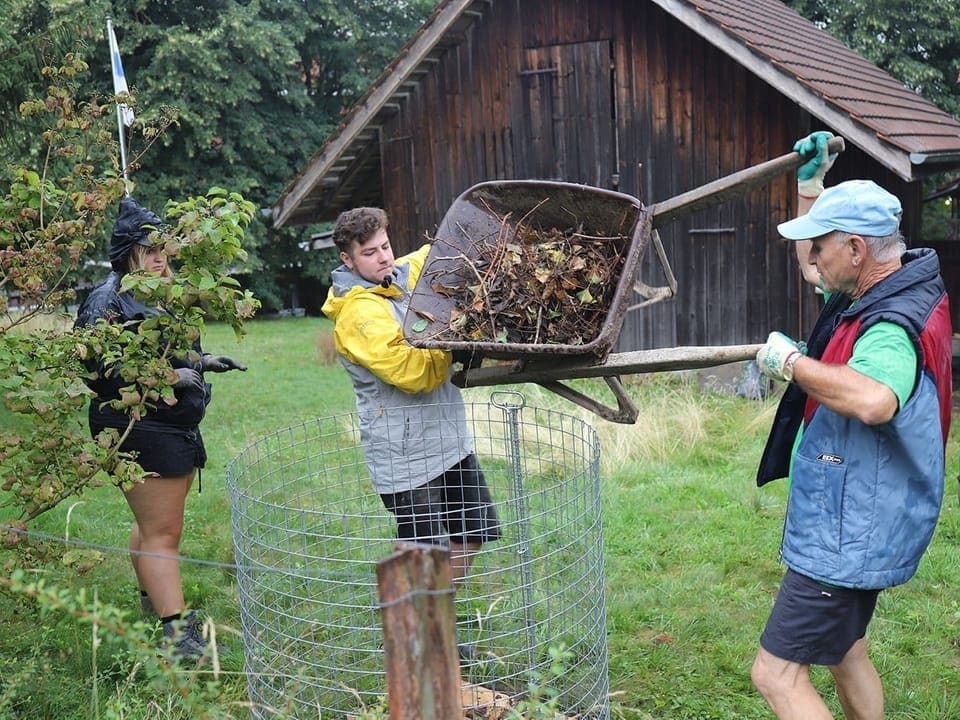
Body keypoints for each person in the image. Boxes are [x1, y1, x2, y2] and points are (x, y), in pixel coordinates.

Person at [751, 131, 953, 719]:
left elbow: (874, 400)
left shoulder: (890, 323)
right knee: (846, 650)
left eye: (823, 249)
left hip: (849, 530)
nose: (812, 262)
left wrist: (790, 363)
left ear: (858, 249)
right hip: (866, 511)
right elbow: (815, 262)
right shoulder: (889, 279)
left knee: (776, 675)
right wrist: (810, 188)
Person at [75, 196, 246, 660]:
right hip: (135, 427)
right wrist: (169, 377)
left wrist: (205, 361)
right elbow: (97, 367)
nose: (159, 256)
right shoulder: (109, 299)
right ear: (127, 251)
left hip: (170, 425)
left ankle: (156, 599)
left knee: (154, 527)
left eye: (163, 248)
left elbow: (169, 348)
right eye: (147, 248)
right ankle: (178, 637)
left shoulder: (162, 292)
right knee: (162, 534)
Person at [321, 207, 501, 592]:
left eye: (385, 246)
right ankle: (411, 637)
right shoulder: (358, 313)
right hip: (404, 455)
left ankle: (433, 620)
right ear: (347, 259)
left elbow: (442, 251)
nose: (383, 257)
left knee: (472, 532)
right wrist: (458, 341)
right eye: (369, 253)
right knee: (421, 553)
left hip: (449, 439)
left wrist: (485, 233)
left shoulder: (400, 274)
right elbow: (412, 372)